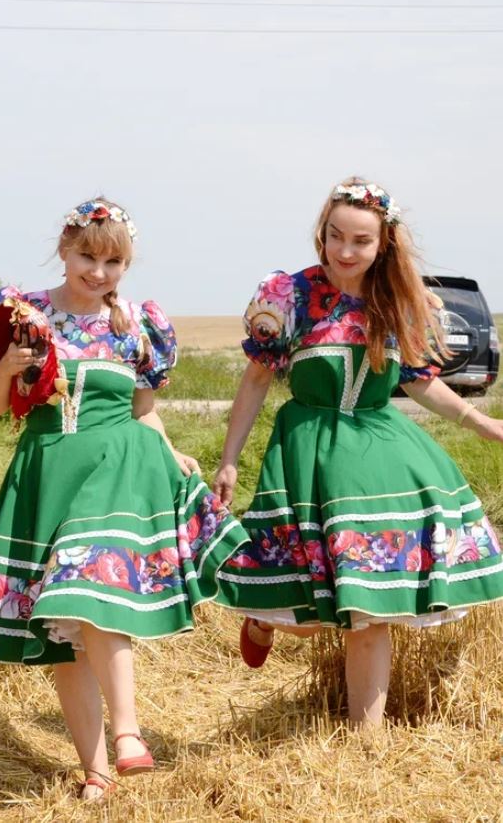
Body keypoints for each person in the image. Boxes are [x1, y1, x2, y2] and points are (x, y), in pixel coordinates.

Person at [0, 198, 248, 800]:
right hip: (48, 470)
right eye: (88, 256)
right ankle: (96, 772)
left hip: (120, 467)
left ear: (126, 264)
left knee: (90, 590)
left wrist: (173, 456)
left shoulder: (136, 326)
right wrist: (7, 367)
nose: (98, 271)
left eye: (113, 261)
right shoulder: (24, 315)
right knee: (61, 625)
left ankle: (128, 734)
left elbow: (145, 411)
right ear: (64, 248)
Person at [212, 176, 503, 728]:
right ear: (321, 234)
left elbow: (417, 381)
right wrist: (230, 459)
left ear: (383, 244)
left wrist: (478, 420)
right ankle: (265, 621)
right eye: (335, 236)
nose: (345, 251)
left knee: (371, 607)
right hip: (309, 450)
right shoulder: (288, 295)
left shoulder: (400, 300)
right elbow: (254, 383)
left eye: (360, 241)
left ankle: (365, 743)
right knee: (311, 609)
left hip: (378, 449)